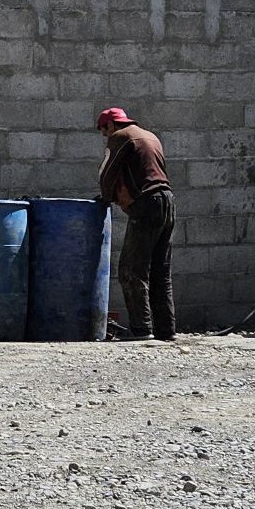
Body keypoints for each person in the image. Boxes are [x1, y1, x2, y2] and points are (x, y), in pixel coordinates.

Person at [96, 106, 176, 341]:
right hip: (168, 201)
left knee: (131, 269)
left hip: (147, 204)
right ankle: (166, 331)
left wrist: (106, 197)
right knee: (160, 271)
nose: (105, 137)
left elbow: (107, 172)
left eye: (104, 131)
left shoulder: (121, 137)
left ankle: (141, 330)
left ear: (111, 125)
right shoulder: (149, 135)